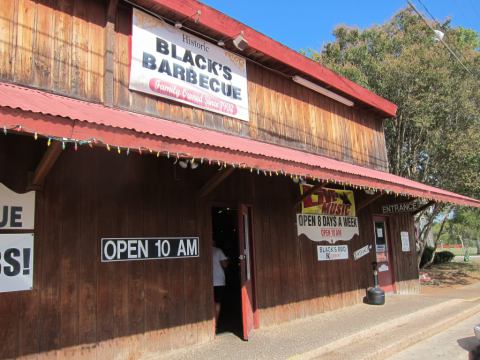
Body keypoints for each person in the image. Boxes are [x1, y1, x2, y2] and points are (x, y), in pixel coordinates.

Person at [212, 244, 229, 328]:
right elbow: (225, 264)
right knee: (217, 303)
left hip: (207, 281)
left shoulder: (203, 250)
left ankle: (209, 323)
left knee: (210, 302)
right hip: (218, 280)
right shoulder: (218, 251)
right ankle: (215, 323)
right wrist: (228, 260)